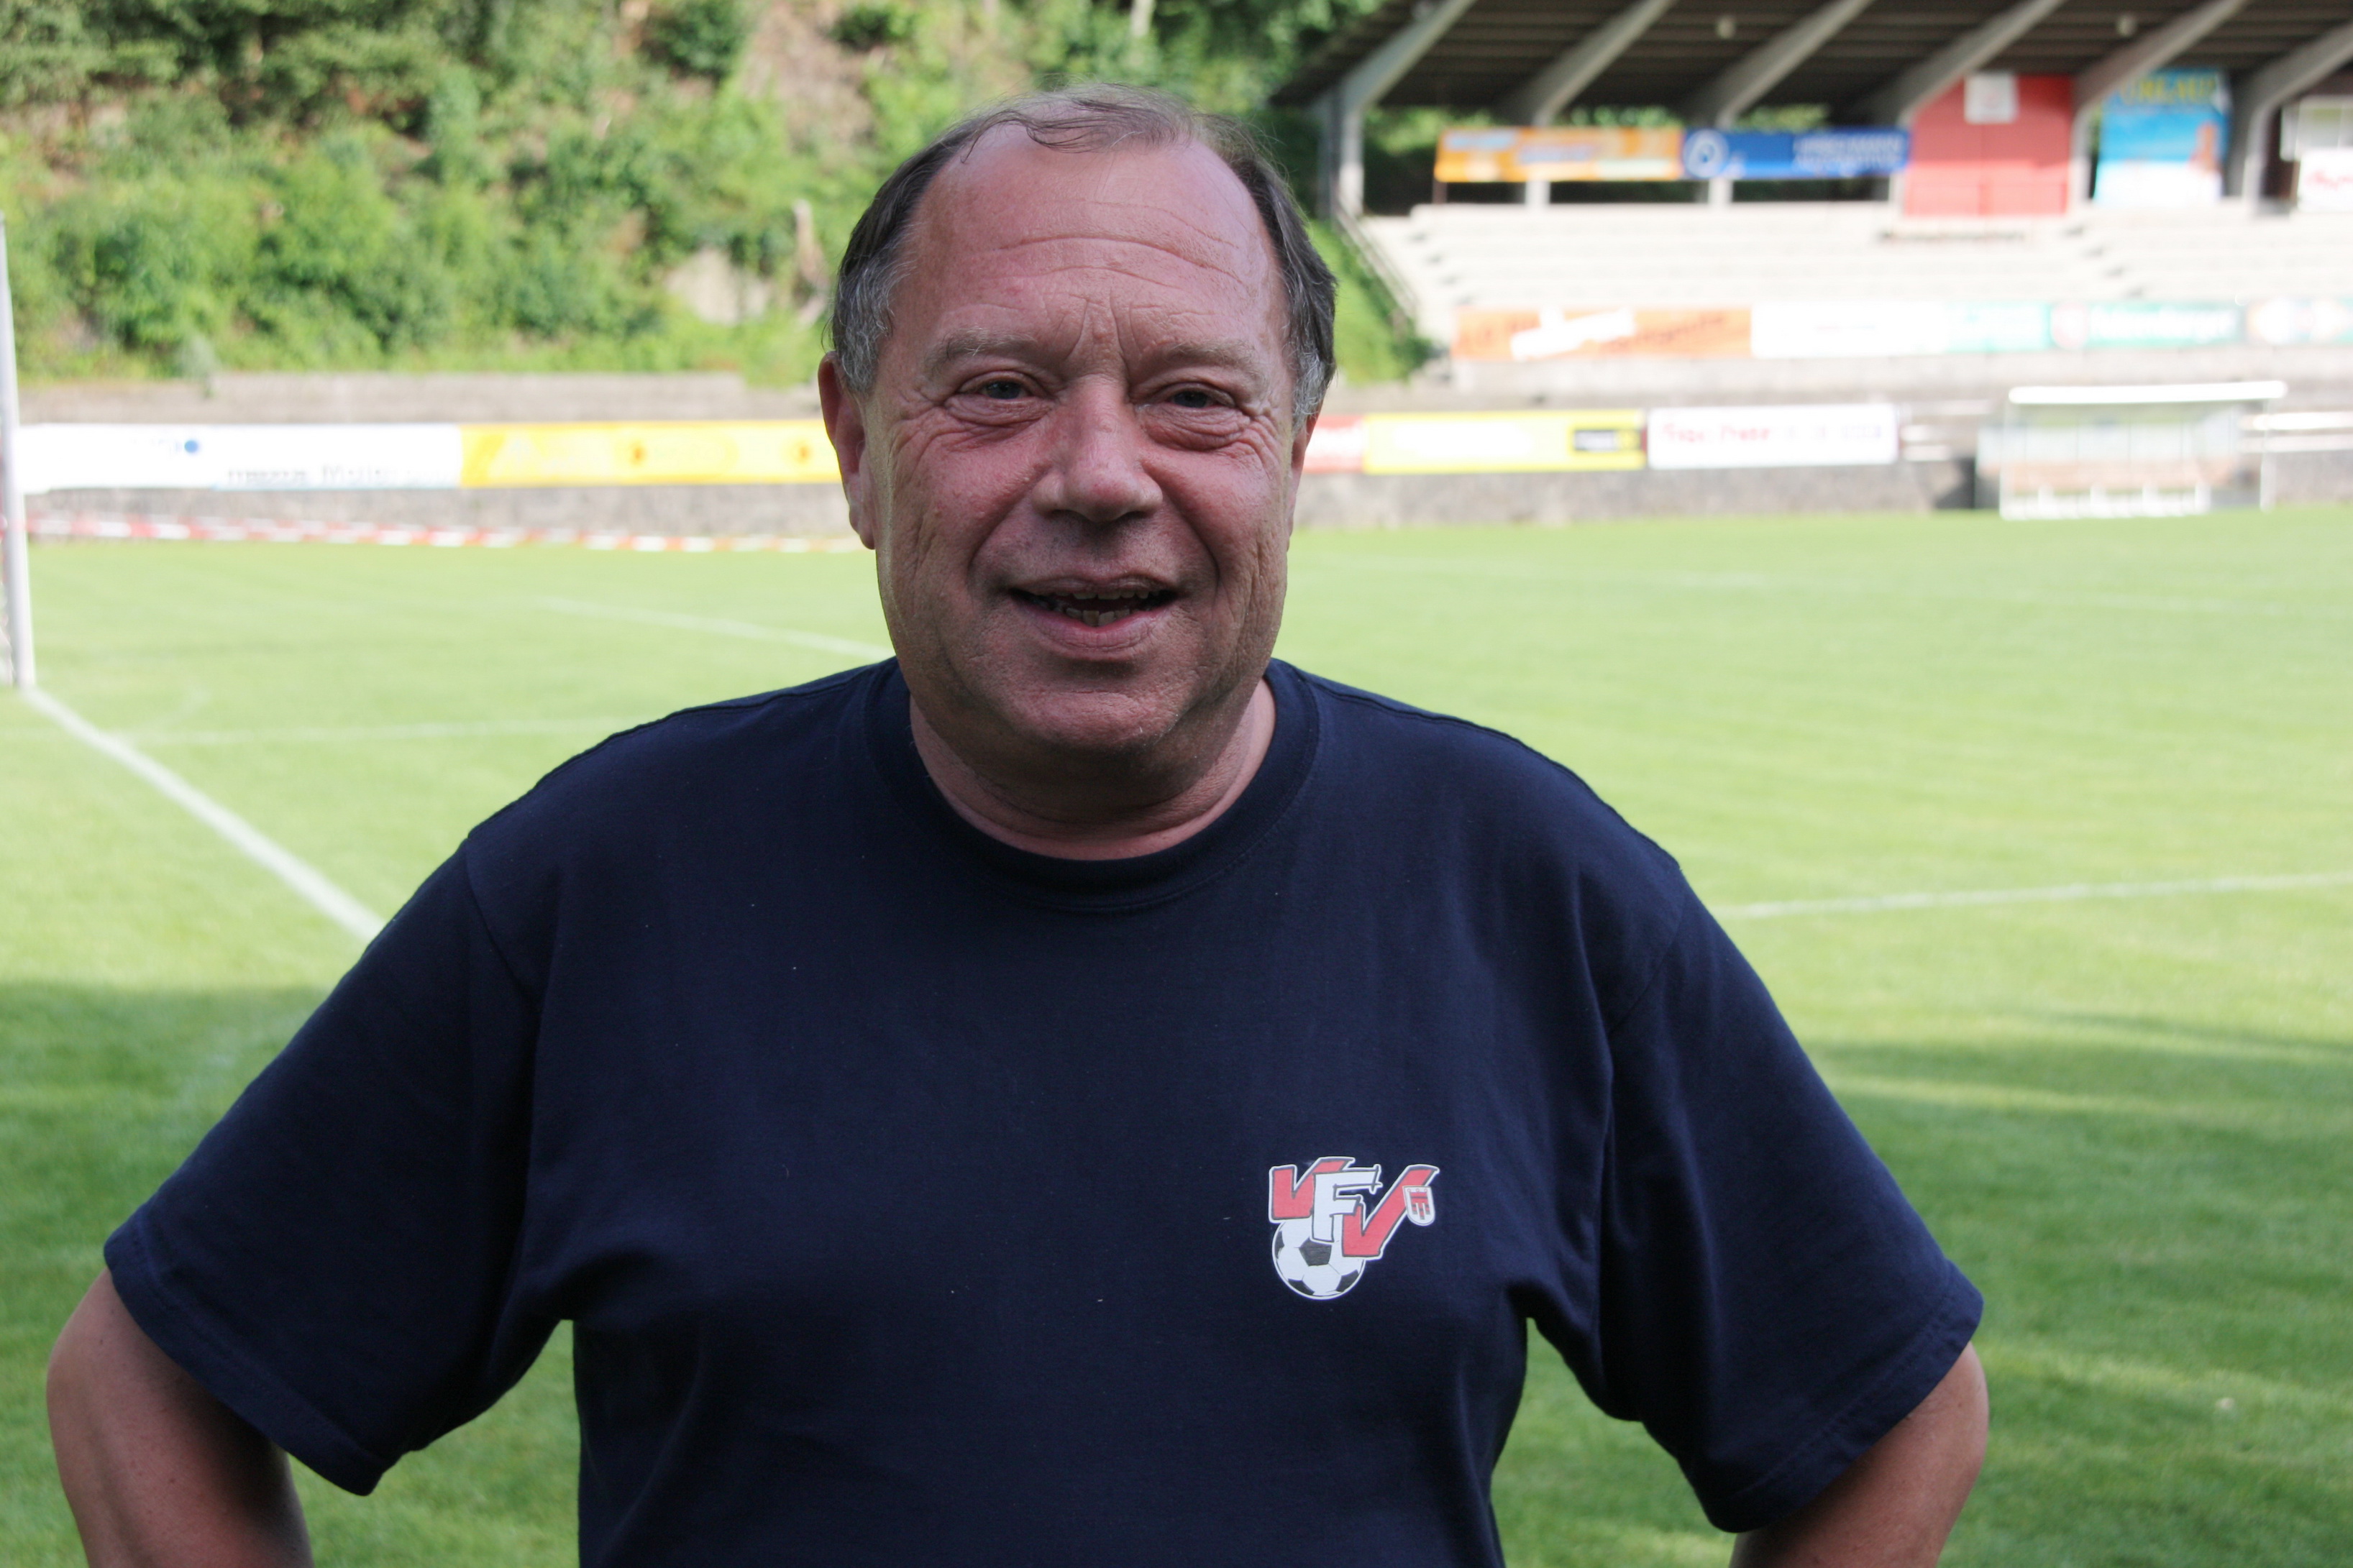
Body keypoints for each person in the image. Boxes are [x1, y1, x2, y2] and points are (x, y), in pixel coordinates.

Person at [49, 87, 1986, 1567]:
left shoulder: (1525, 884)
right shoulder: (604, 881)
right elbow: (145, 1381)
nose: (1101, 474)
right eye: (998, 390)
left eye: (1196, 398)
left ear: (1295, 453)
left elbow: (1894, 1409)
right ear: (852, 445)